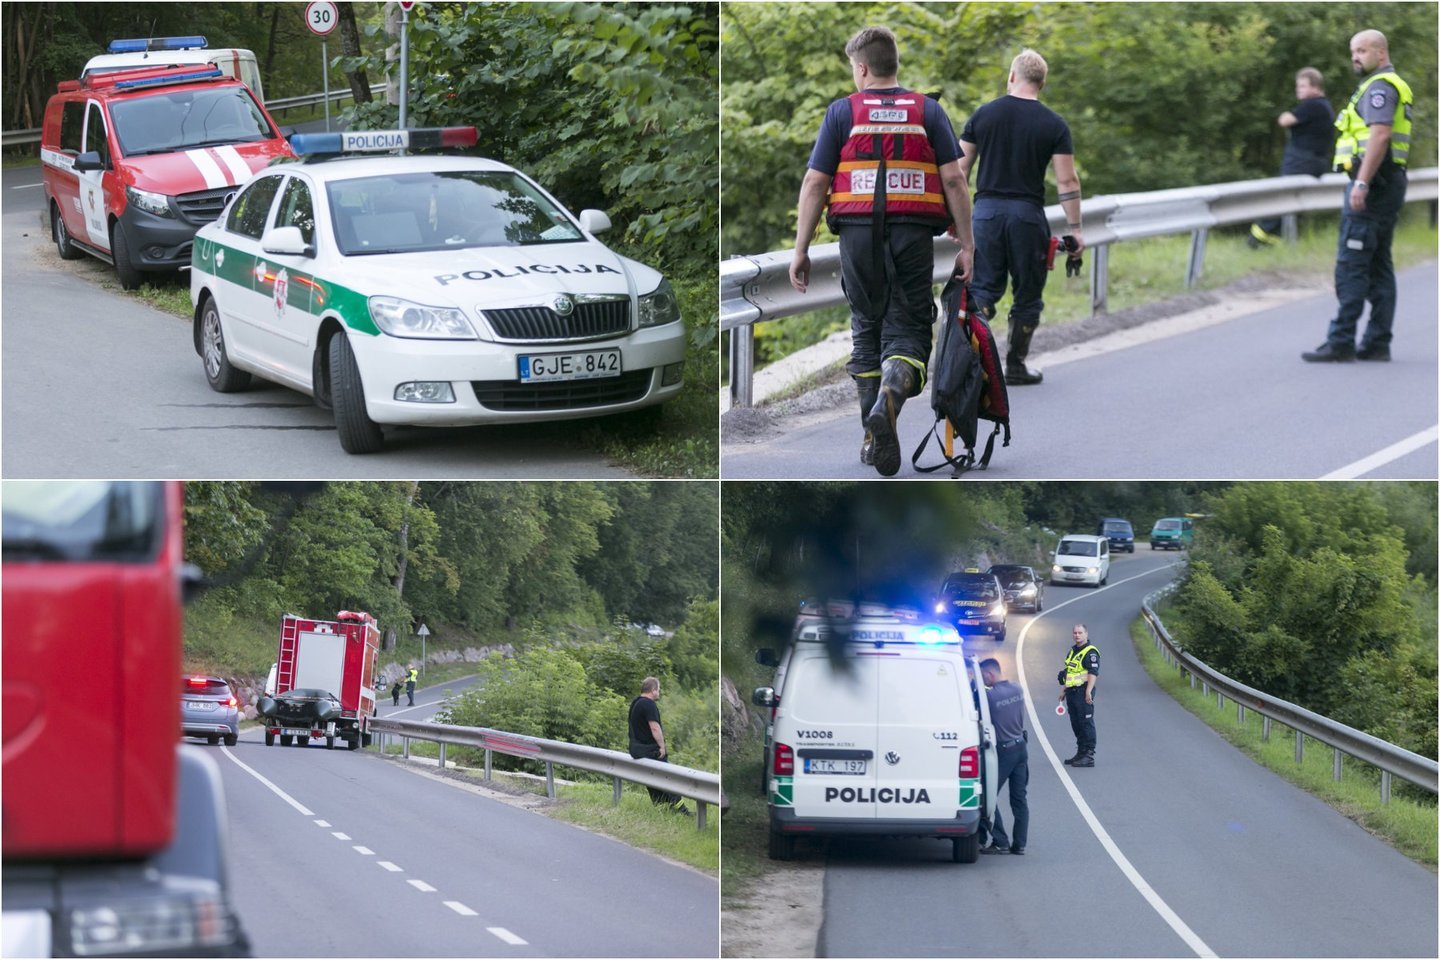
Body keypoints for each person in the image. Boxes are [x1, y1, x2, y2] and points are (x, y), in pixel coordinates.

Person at [789, 25, 974, 476]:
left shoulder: (841, 113)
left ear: (862, 68)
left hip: (855, 237)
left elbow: (816, 182)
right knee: (908, 332)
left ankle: (872, 437)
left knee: (866, 330)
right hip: (912, 235)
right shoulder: (928, 111)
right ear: (893, 66)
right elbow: (954, 179)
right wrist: (967, 243)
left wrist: (801, 248)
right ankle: (890, 397)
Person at [957, 48, 1084, 387]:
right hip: (1028, 217)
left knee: (982, 291)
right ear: (1042, 83)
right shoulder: (1054, 124)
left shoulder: (983, 115)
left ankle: (974, 366)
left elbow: (959, 172)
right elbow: (1067, 181)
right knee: (1028, 293)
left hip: (986, 215)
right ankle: (1015, 365)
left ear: (1012, 77)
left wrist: (955, 219)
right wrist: (1075, 230)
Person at [1303, 29, 1413, 363]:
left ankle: (1341, 340)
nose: (1355, 57)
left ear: (1381, 53)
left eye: (1362, 51)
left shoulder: (1379, 87)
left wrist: (1361, 183)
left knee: (1352, 265)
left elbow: (1380, 135)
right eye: (1353, 51)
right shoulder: (1384, 84)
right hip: (1386, 183)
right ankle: (1377, 342)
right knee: (1379, 265)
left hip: (1373, 185)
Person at [1249, 68, 1335, 247]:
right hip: (1314, 161)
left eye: (1303, 86)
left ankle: (1257, 239)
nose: (1299, 90)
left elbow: (1285, 121)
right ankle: (1278, 239)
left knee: (1282, 197)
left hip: (1301, 161)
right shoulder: (1324, 106)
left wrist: (1284, 115)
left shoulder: (1312, 105)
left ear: (1316, 87)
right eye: (1298, 86)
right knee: (1292, 200)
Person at [978, 658, 1028, 855]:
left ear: (989, 674)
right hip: (1021, 748)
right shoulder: (1018, 689)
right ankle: (1020, 844)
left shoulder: (990, 697)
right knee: (1019, 798)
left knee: (987, 796)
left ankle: (1000, 841)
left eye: (983, 676)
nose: (983, 680)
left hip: (1004, 751)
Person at [627, 676, 691, 814]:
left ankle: (663, 809)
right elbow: (654, 727)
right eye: (658, 690)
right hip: (650, 750)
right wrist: (662, 747)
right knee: (668, 778)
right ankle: (681, 810)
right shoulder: (648, 704)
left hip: (637, 750)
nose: (659, 693)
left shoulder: (635, 703)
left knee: (652, 781)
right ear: (653, 690)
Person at [1056, 623, 1098, 766]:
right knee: (1076, 723)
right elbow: (1069, 673)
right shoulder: (1073, 651)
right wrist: (1063, 690)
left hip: (1083, 692)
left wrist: (1088, 691)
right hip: (1072, 692)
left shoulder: (1090, 652)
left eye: (1080, 633)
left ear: (1086, 634)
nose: (1077, 635)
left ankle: (1089, 755)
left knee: (1086, 723)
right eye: (1075, 633)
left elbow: (1092, 673)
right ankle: (1080, 752)